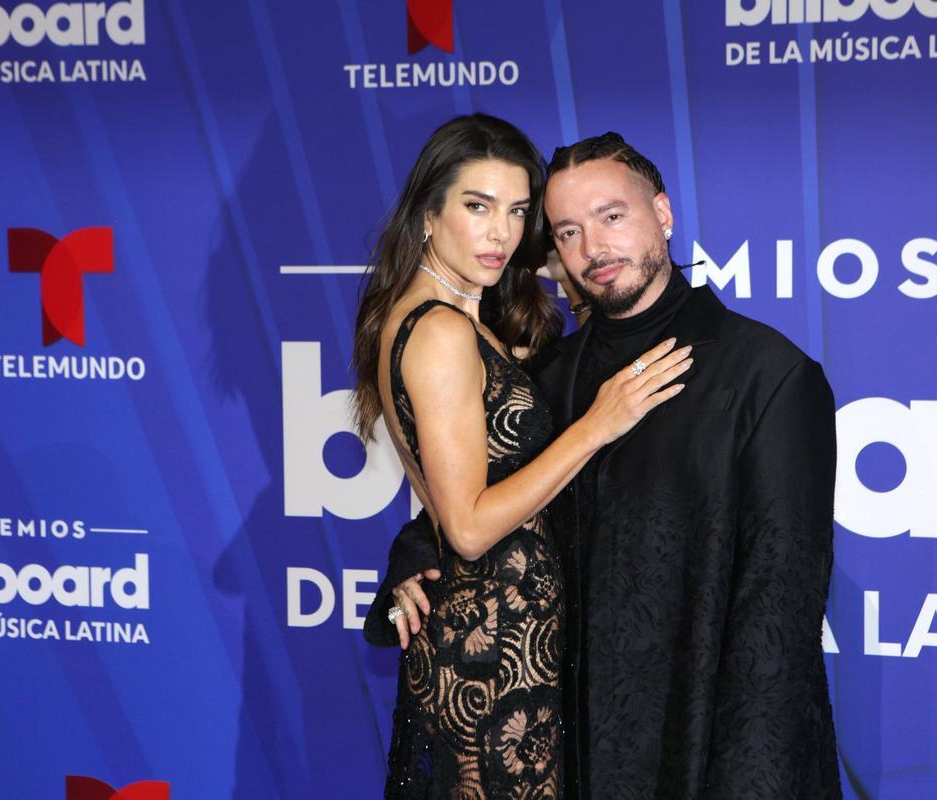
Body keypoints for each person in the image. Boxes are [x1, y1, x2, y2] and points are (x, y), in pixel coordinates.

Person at [370, 131, 842, 798]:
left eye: (612, 217)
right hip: (565, 748)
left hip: (697, 758)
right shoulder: (555, 378)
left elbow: (777, 630)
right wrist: (417, 548)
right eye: (566, 231)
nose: (593, 248)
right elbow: (488, 492)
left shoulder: (768, 377)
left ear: (664, 213)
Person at [351, 116, 693, 799]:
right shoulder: (441, 332)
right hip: (491, 650)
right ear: (429, 214)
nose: (500, 234)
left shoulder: (456, 319)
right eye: (476, 207)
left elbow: (455, 497)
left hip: (503, 637)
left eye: (515, 212)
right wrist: (597, 425)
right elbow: (471, 527)